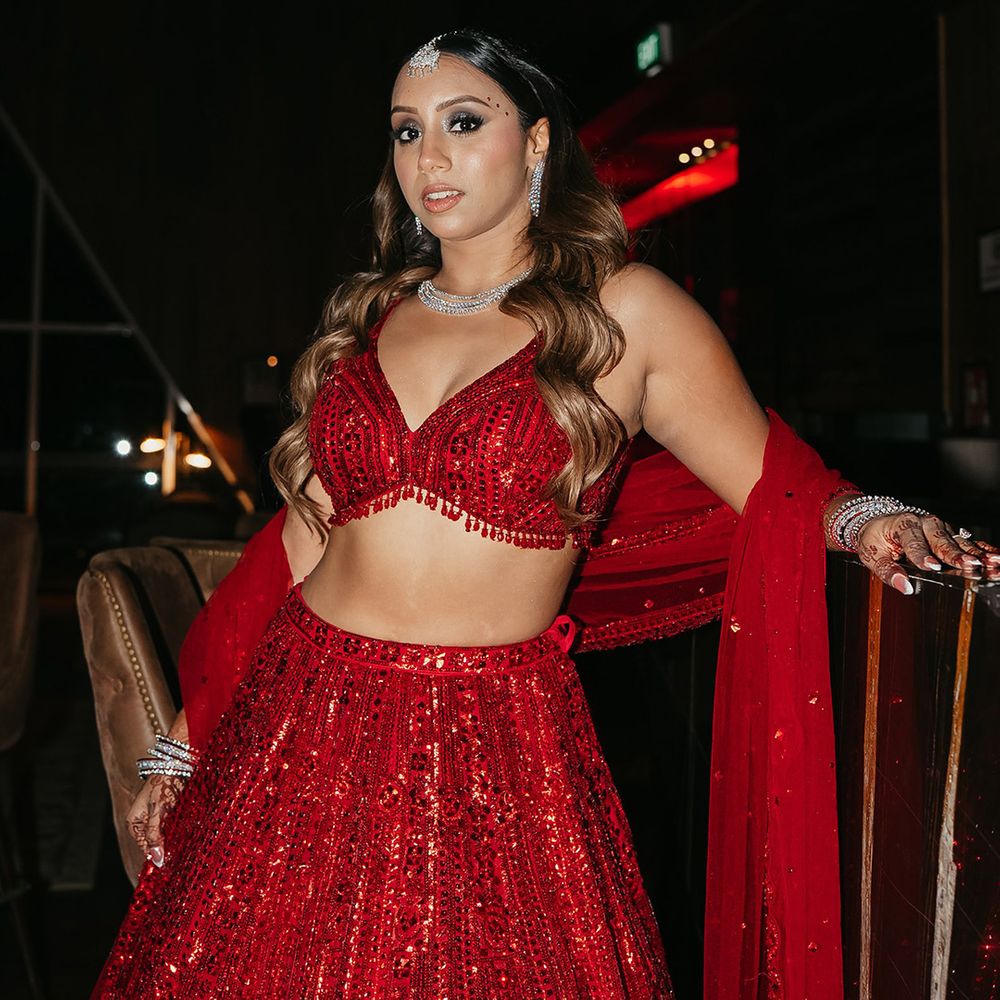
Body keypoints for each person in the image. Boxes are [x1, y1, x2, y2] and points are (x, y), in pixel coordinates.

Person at [92, 28, 1000, 1000]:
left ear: (534, 144)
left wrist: (864, 516)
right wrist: (188, 737)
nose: (426, 157)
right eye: (405, 131)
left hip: (487, 743)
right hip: (302, 711)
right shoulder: (372, 315)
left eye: (462, 121)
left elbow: (772, 478)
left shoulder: (626, 312)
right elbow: (303, 543)